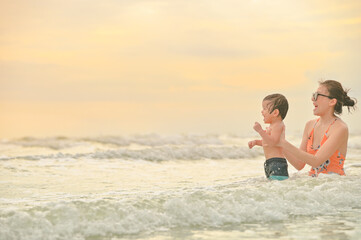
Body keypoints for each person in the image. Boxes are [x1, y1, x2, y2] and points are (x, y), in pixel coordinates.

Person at [276, 80, 357, 177]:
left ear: (332, 101)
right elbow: (299, 164)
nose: (312, 99)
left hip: (334, 184)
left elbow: (316, 161)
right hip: (314, 185)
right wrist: (279, 143)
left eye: (317, 95)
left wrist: (284, 143)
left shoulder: (340, 128)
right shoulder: (309, 125)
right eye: (313, 94)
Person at [248, 93, 289, 180]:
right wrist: (256, 142)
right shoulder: (272, 126)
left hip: (277, 162)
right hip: (270, 163)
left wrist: (260, 131)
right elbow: (267, 142)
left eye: (265, 109)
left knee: (277, 186)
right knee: (272, 186)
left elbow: (272, 142)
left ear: (275, 112)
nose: (262, 111)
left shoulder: (278, 125)